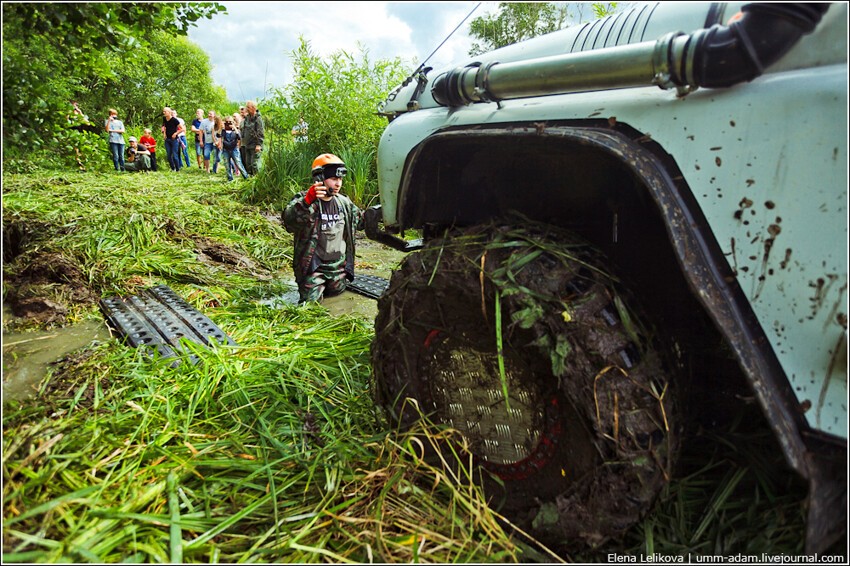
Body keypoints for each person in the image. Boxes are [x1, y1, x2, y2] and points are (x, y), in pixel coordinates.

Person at [283, 154, 364, 303]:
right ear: (319, 179)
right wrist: (307, 201)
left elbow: (362, 221)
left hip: (338, 269)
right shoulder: (306, 202)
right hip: (314, 269)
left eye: (340, 179)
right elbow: (289, 222)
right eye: (333, 179)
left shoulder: (344, 203)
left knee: (339, 299)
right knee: (310, 305)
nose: (338, 183)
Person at [241, 100, 264, 176]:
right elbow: (244, 130)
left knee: (254, 164)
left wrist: (258, 145)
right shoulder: (247, 118)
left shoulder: (258, 119)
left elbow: (260, 132)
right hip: (247, 145)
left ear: (253, 108)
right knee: (248, 164)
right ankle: (250, 180)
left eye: (248, 107)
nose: (246, 109)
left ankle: (258, 179)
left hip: (255, 145)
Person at [161, 107, 182, 171]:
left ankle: (178, 169)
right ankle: (173, 168)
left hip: (174, 140)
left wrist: (175, 133)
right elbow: (164, 127)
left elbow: (182, 129)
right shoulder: (164, 119)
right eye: (163, 111)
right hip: (167, 139)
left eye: (165, 111)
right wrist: (164, 134)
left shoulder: (174, 120)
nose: (164, 113)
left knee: (175, 155)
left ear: (169, 112)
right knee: (169, 155)